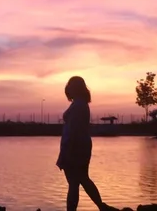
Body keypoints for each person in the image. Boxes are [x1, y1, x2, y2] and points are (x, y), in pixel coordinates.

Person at [56, 76, 110, 211]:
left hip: (75, 147)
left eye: (71, 86)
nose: (68, 88)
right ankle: (102, 206)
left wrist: (66, 151)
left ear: (76, 88)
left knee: (75, 183)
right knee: (82, 179)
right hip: (80, 146)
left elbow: (73, 130)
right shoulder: (80, 104)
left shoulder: (79, 105)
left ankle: (100, 206)